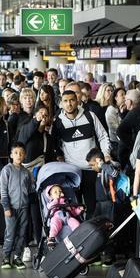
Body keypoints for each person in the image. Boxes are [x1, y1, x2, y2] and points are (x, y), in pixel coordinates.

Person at [53, 90, 111, 219]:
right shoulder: (58, 122)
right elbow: (54, 144)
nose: (69, 104)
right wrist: (60, 158)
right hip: (72, 171)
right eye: (65, 101)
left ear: (77, 101)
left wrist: (106, 154)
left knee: (92, 205)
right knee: (74, 207)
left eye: (72, 100)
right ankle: (78, 236)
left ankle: (92, 234)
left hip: (91, 168)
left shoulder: (90, 116)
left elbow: (103, 136)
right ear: (61, 103)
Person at [0, 142, 35, 270]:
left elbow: (31, 189)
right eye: (16, 153)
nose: (18, 155)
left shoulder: (27, 172)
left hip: (24, 208)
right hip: (11, 208)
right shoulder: (7, 170)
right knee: (10, 233)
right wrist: (6, 207)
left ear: (24, 155)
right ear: (11, 155)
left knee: (22, 234)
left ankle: (17, 258)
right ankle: (6, 258)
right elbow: (3, 190)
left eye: (21, 153)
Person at [105, 87, 127, 155]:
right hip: (116, 142)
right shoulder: (111, 109)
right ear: (115, 98)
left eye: (125, 94)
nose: (124, 96)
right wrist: (121, 114)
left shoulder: (127, 108)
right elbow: (115, 128)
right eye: (122, 95)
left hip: (125, 140)